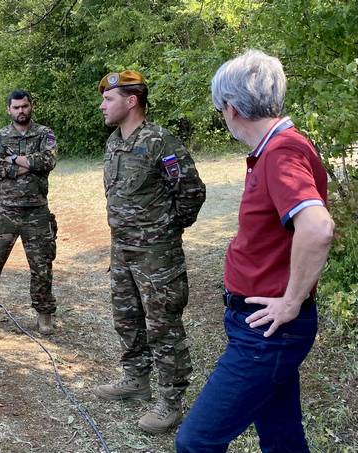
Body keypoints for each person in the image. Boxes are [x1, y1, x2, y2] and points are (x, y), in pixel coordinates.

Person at [175, 50, 334, 452]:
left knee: (196, 442)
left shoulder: (281, 152)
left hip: (268, 334)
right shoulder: (279, 146)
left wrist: (291, 302)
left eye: (219, 108)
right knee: (282, 438)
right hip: (263, 327)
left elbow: (316, 228)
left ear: (230, 107)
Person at [94, 70, 206, 434]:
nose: (102, 105)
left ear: (131, 101)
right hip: (122, 250)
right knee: (127, 318)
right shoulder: (114, 142)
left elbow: (191, 191)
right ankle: (135, 379)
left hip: (157, 255)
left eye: (108, 99)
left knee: (163, 326)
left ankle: (171, 402)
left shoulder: (160, 141)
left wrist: (167, 230)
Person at [0, 89, 58, 335]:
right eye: (16, 107)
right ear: (9, 110)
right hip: (5, 210)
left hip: (36, 210)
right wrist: (28, 165)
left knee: (42, 264)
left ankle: (44, 314)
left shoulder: (44, 133)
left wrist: (14, 159)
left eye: (24, 106)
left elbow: (48, 161)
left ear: (31, 106)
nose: (21, 111)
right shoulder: (1, 135)